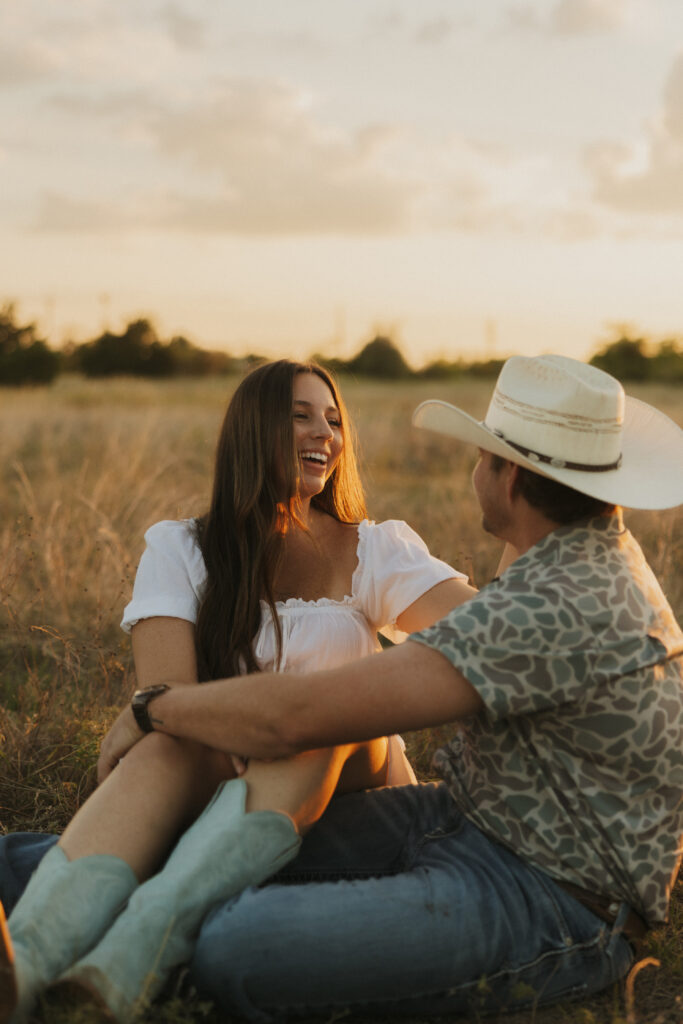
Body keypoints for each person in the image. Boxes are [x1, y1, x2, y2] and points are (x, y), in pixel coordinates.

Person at [24, 352, 681, 1021]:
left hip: (552, 894)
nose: (325, 435)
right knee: (175, 841)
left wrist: (152, 708)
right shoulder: (573, 565)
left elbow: (303, 716)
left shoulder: (552, 601)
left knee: (238, 942)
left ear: (506, 476)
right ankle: (38, 955)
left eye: (483, 455)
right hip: (462, 819)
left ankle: (123, 932)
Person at [0, 359, 476, 1023]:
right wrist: (215, 725)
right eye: (302, 416)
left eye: (335, 420)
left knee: (323, 718)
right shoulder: (181, 549)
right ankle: (26, 968)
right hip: (234, 783)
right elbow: (170, 703)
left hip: (357, 784)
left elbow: (484, 631)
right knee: (165, 749)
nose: (326, 434)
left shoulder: (374, 548)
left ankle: (144, 939)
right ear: (252, 432)